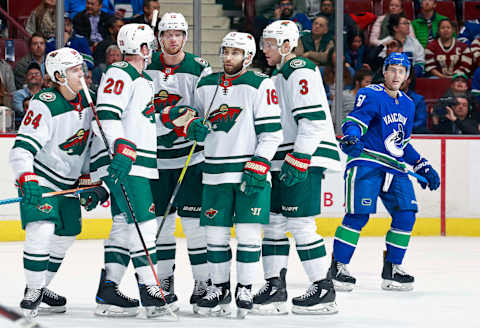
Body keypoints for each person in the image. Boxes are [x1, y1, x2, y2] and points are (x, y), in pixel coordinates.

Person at [177, 31, 282, 318]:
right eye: (225, 51)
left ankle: (245, 287)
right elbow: (193, 119)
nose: (228, 57)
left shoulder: (261, 84)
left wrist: (260, 163)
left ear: (248, 57)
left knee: (248, 234)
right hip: (213, 172)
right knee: (215, 235)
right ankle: (220, 287)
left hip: (250, 173)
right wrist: (192, 128)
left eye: (235, 53)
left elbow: (272, 133)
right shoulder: (206, 83)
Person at [88, 23, 184, 318]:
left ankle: (108, 290)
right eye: (150, 45)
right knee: (144, 225)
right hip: (126, 163)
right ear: (143, 48)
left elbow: (145, 122)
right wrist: (121, 149)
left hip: (134, 161)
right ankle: (151, 291)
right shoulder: (120, 73)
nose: (153, 49)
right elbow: (106, 115)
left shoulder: (141, 80)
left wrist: (179, 127)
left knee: (122, 225)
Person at [329, 52, 440, 293]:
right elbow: (356, 121)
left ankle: (392, 269)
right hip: (367, 163)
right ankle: (338, 267)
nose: (396, 74)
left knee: (407, 213)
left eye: (402, 71)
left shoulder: (409, 104)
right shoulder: (370, 93)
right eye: (392, 69)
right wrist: (351, 137)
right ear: (385, 71)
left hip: (394, 168)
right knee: (359, 215)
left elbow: (401, 143)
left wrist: (422, 165)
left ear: (407, 75)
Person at [9, 47, 107, 317]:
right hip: (41, 177)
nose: (83, 75)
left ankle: (42, 287)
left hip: (69, 183)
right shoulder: (46, 102)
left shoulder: (90, 103)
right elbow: (21, 149)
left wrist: (96, 182)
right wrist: (26, 178)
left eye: (83, 70)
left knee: (66, 236)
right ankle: (33, 290)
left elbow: (94, 149)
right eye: (76, 71)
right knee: (41, 229)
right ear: (59, 76)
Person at [254, 20, 342, 315]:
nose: (264, 49)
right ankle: (275, 286)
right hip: (285, 157)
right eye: (264, 43)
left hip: (303, 156)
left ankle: (323, 287)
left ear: (287, 45)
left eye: (270, 43)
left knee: (300, 223)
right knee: (274, 222)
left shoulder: (299, 69)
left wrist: (301, 156)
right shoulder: (279, 73)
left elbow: (313, 120)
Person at [144, 12, 212, 313]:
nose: (172, 39)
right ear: (159, 37)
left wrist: (200, 126)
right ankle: (165, 281)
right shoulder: (146, 67)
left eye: (178, 34)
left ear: (185, 37)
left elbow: (207, 110)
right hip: (156, 161)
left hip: (191, 159)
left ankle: (202, 282)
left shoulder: (199, 68)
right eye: (167, 34)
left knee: (196, 226)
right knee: (162, 225)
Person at [400, 69, 429, 134]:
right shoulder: (387, 98)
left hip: (413, 133)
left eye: (403, 78)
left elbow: (421, 121)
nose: (400, 81)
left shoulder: (418, 99)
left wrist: (405, 128)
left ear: (409, 80)